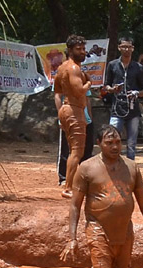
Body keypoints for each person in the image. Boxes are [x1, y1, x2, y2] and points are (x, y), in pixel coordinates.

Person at [64, 126, 143, 268]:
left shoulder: (132, 167)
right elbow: (75, 206)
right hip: (98, 229)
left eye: (118, 142)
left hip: (124, 232)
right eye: (109, 143)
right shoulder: (86, 168)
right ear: (99, 143)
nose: (115, 147)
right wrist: (72, 238)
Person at [54, 34, 92, 197]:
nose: (83, 52)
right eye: (79, 49)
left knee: (73, 150)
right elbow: (79, 91)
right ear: (70, 50)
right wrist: (89, 82)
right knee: (77, 151)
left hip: (66, 108)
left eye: (84, 49)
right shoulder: (74, 68)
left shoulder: (62, 68)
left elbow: (57, 91)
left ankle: (70, 183)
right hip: (74, 109)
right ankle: (68, 187)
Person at [102, 37, 143, 160]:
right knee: (111, 137)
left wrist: (136, 93)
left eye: (128, 47)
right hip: (117, 108)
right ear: (119, 48)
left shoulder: (138, 67)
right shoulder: (112, 65)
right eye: (123, 46)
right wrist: (112, 89)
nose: (126, 49)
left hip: (133, 109)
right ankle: (113, 163)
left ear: (133, 49)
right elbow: (106, 85)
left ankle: (130, 167)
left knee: (132, 142)